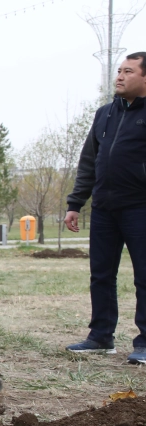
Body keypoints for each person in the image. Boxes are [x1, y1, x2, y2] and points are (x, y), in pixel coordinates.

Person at [64, 51, 146, 363]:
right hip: (104, 208)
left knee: (144, 276)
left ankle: (144, 343)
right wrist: (75, 203)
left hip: (140, 207)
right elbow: (89, 162)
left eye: (128, 71)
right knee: (100, 274)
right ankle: (100, 336)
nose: (120, 76)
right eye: (119, 71)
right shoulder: (105, 114)